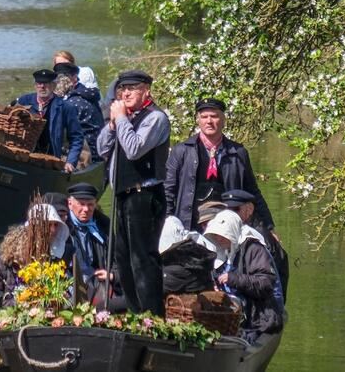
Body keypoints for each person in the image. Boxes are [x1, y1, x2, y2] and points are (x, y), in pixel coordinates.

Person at [96, 69, 170, 316]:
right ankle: (136, 313)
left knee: (142, 259)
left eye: (132, 89)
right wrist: (113, 123)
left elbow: (134, 149)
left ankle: (152, 316)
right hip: (124, 195)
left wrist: (122, 120)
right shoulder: (124, 118)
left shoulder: (155, 118)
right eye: (122, 90)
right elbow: (101, 148)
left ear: (146, 91)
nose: (125, 93)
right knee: (123, 259)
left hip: (145, 194)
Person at [164, 98, 276, 233]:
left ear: (223, 119)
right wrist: (167, 224)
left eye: (214, 116)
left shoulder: (238, 152)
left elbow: (252, 193)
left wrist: (269, 227)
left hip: (227, 225)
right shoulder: (181, 151)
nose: (209, 121)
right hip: (189, 226)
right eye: (204, 117)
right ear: (197, 120)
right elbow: (168, 191)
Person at [204, 210, 285, 344]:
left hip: (256, 319)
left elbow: (266, 283)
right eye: (216, 235)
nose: (218, 239)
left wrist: (234, 279)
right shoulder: (221, 251)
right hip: (229, 315)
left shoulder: (253, 249)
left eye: (222, 235)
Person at [222, 189, 290, 299]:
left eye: (235, 210)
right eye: (226, 210)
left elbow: (271, 284)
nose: (230, 215)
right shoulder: (226, 233)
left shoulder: (260, 239)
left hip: (263, 307)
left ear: (249, 210)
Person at [66, 183, 124, 309]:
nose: (86, 209)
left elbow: (116, 257)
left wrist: (112, 274)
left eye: (90, 204)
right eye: (81, 204)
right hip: (70, 284)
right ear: (70, 204)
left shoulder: (103, 225)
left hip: (99, 283)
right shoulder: (63, 227)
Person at [15, 69, 83, 162]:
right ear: (35, 85)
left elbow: (76, 137)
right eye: (39, 83)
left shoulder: (65, 107)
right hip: (25, 155)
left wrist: (70, 162)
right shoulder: (24, 101)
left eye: (46, 83)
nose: (42, 86)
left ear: (54, 85)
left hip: (51, 157)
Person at [54, 62, 104, 163]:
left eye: (64, 77)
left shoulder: (72, 103)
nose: (58, 81)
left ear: (74, 77)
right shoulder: (85, 94)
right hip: (97, 152)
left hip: (88, 157)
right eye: (57, 78)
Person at [0, 225, 27, 309]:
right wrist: (23, 301)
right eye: (27, 247)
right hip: (6, 317)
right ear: (16, 248)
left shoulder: (33, 266)